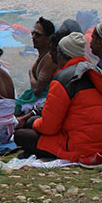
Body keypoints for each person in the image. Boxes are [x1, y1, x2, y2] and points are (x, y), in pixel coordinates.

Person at [14, 32, 102, 161]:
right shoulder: (94, 71)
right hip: (98, 144)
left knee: (21, 135)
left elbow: (49, 127)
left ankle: (44, 153)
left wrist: (32, 123)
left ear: (61, 54)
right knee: (33, 121)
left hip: (78, 147)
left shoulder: (63, 78)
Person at [14, 17, 57, 115]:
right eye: (33, 33)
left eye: (38, 35)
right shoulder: (43, 55)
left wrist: (30, 73)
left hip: (43, 101)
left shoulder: (49, 59)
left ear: (48, 39)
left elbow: (37, 90)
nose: (33, 37)